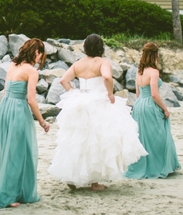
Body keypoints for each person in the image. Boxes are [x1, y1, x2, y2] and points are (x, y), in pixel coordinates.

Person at [48, 34, 147, 190]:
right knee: (97, 140)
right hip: (98, 102)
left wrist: (73, 93)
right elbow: (107, 77)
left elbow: (63, 80)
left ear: (85, 47)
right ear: (101, 47)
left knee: (78, 140)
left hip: (80, 101)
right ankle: (94, 182)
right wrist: (110, 94)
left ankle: (73, 178)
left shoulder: (78, 63)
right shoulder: (103, 62)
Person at [0, 38, 50, 209]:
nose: (40, 59)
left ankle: (10, 190)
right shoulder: (31, 71)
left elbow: (5, 91)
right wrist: (42, 121)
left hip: (5, 108)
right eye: (41, 55)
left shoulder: (12, 65)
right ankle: (8, 196)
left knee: (6, 150)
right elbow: (31, 100)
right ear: (36, 52)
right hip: (18, 109)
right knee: (17, 153)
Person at [125, 42, 180, 179]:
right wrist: (165, 109)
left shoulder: (139, 72)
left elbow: (138, 94)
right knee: (158, 136)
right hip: (150, 105)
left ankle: (144, 166)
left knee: (143, 137)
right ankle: (159, 166)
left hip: (139, 105)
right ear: (155, 55)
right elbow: (154, 94)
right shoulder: (154, 72)